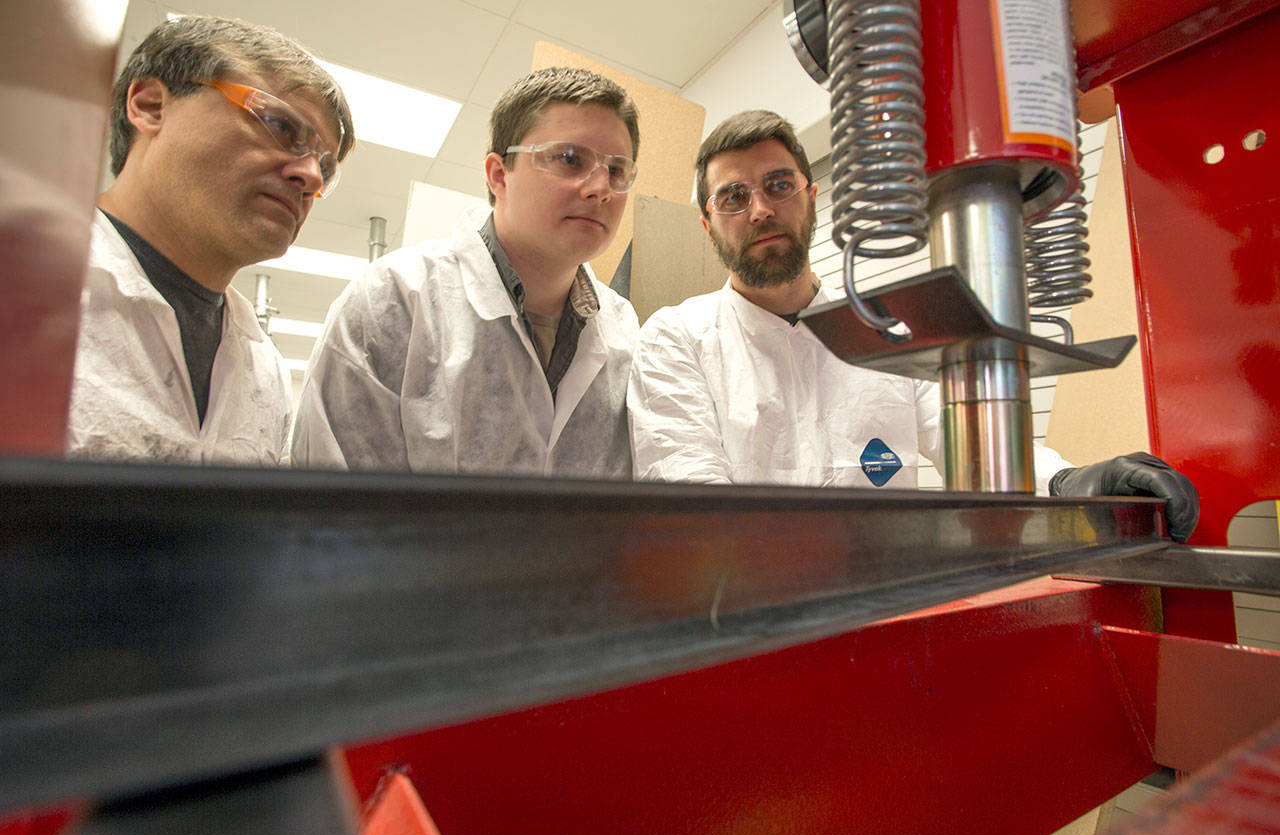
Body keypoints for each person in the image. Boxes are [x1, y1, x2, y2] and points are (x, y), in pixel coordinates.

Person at [627, 110, 1199, 541]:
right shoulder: (677, 338)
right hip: (741, 627)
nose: (759, 210)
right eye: (733, 196)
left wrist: (1071, 485)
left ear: (811, 196)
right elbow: (691, 503)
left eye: (778, 185)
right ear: (707, 224)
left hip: (886, 616)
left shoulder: (892, 331)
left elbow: (972, 447)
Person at [292, 67, 640, 478]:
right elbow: (330, 505)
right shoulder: (395, 299)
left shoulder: (624, 328)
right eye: (570, 159)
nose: (600, 187)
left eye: (617, 171)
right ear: (498, 175)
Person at [66, 15, 354, 465]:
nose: (310, 175)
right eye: (280, 125)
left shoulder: (265, 369)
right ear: (150, 106)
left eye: (326, 168)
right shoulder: (30, 281)